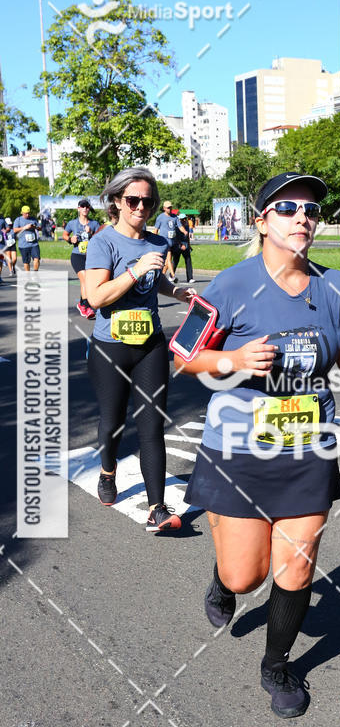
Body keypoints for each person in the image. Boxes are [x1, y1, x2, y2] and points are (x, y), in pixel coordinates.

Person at [176, 171, 340, 718]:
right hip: (239, 448)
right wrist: (232, 361)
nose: (302, 217)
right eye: (286, 208)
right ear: (261, 221)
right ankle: (223, 579)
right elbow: (184, 358)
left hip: (308, 444)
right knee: (247, 575)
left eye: (310, 209)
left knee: (298, 565)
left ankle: (277, 666)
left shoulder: (339, 286)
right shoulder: (228, 286)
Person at [85, 167, 195, 531]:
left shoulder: (157, 242)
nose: (141, 207)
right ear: (116, 201)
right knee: (113, 422)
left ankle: (157, 508)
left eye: (148, 201)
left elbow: (155, 279)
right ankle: (107, 471)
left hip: (150, 346)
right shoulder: (104, 242)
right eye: (133, 200)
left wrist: (175, 291)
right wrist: (133, 273)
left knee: (151, 425)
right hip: (110, 348)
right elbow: (96, 296)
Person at [64, 199, 101, 318]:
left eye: (87, 206)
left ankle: (82, 303)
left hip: (91, 256)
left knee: (88, 281)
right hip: (77, 255)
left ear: (89, 209)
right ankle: (87, 306)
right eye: (82, 206)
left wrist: (91, 234)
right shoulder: (72, 223)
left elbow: (101, 237)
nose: (85, 208)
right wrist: (70, 239)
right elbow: (65, 235)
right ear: (78, 208)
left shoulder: (94, 224)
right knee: (84, 278)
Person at [154, 201, 183, 281]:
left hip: (173, 242)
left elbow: (180, 227)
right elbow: (155, 230)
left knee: (167, 261)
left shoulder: (174, 217)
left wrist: (185, 232)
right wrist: (155, 241)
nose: (170, 209)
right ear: (164, 208)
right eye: (168, 208)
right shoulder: (160, 217)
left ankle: (162, 276)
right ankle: (173, 276)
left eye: (170, 207)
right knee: (169, 259)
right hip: (164, 242)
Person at [13, 206, 41, 272]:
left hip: (34, 244)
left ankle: (35, 273)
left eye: (28, 213)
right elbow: (15, 230)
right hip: (23, 245)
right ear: (22, 213)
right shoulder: (18, 220)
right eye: (26, 213)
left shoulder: (33, 219)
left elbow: (40, 228)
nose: (27, 215)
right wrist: (24, 227)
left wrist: (35, 227)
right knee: (26, 262)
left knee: (37, 259)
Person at [172, 214, 194, 283]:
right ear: (179, 220)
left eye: (185, 219)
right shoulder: (176, 227)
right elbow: (175, 238)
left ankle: (190, 278)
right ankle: (171, 275)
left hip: (186, 245)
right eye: (182, 219)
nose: (184, 220)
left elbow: (187, 237)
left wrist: (189, 245)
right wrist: (180, 245)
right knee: (175, 261)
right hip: (178, 246)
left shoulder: (187, 226)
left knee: (188, 261)